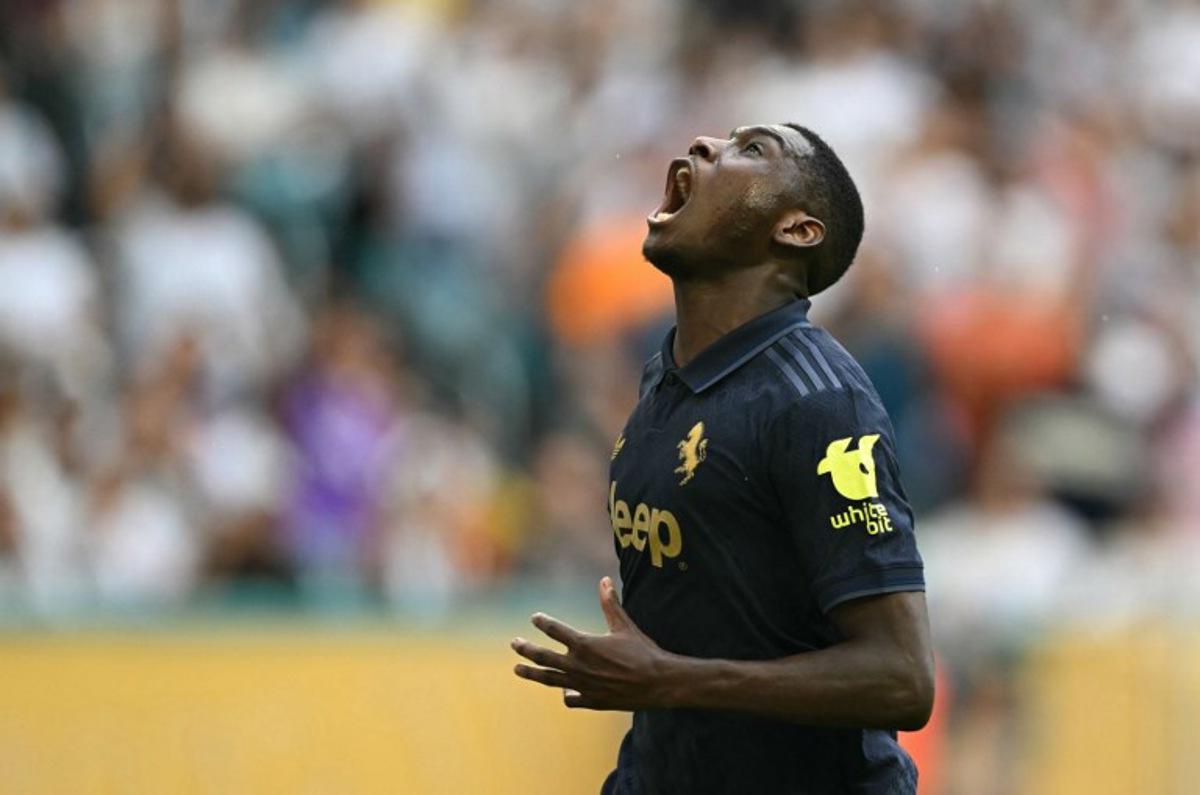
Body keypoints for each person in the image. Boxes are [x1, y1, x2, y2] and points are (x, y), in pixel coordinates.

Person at [512, 124, 934, 793]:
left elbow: (902, 677)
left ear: (796, 230)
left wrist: (672, 680)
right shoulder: (664, 377)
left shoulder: (819, 403)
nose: (706, 144)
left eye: (754, 150)